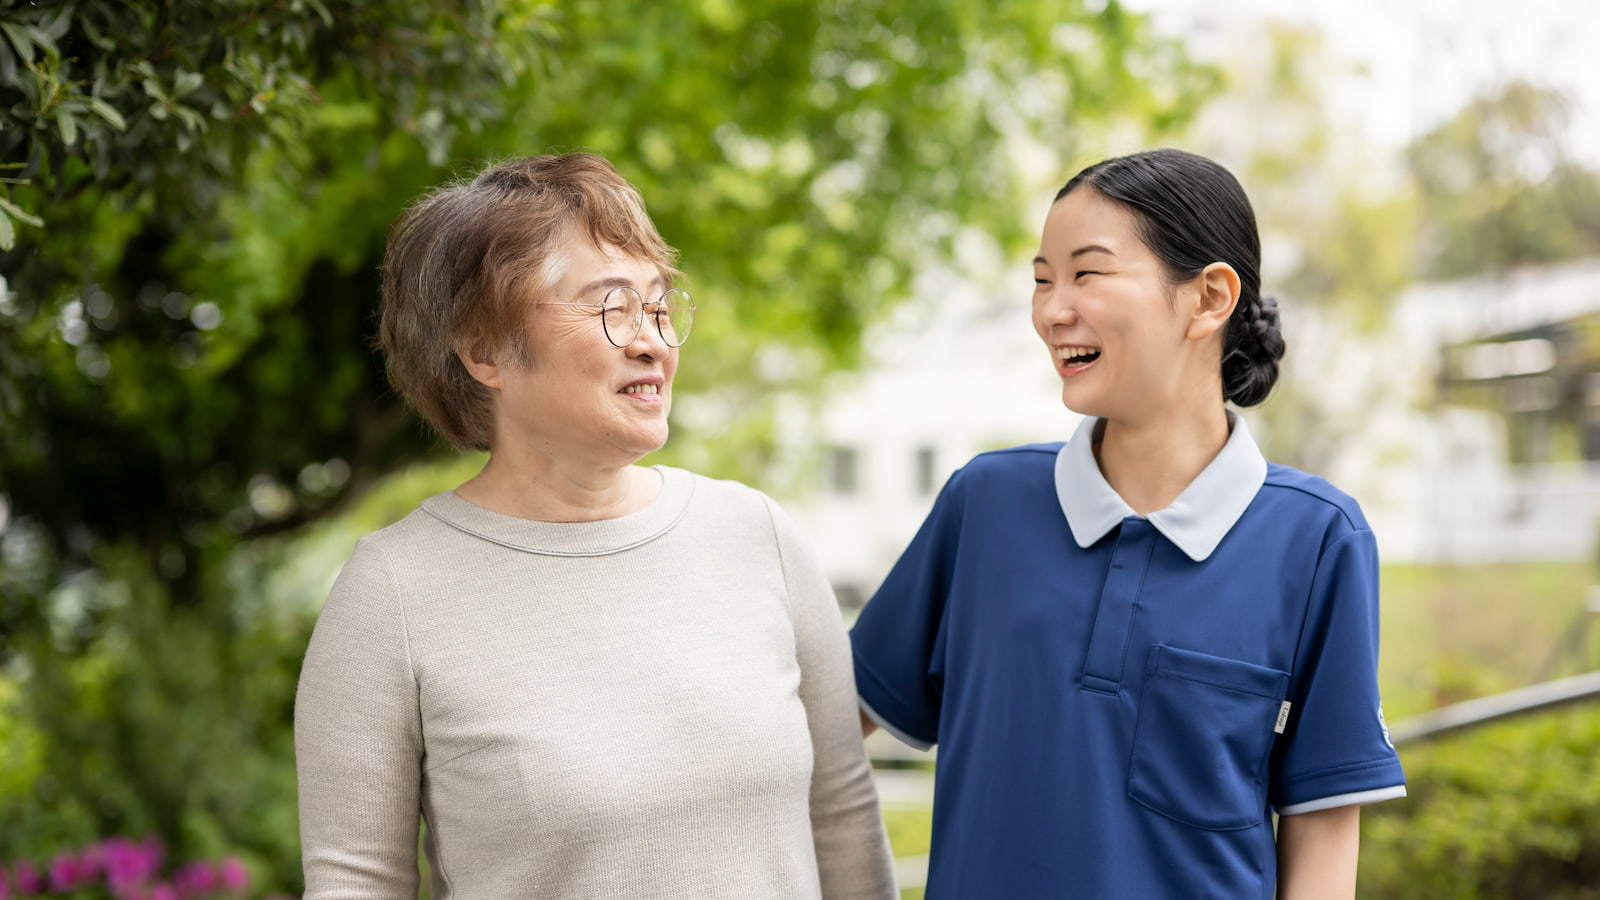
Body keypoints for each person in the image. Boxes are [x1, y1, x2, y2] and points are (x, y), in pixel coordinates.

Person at [294, 153, 896, 899]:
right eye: (612, 307)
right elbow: (356, 882)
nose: (653, 341)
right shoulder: (392, 592)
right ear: (485, 351)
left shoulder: (757, 537)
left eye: (658, 305)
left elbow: (841, 821)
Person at [849, 148, 1405, 898]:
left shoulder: (1316, 539)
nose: (1052, 310)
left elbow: (1322, 827)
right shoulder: (985, 506)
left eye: (1087, 273)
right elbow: (829, 727)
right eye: (1042, 280)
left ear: (1209, 297)